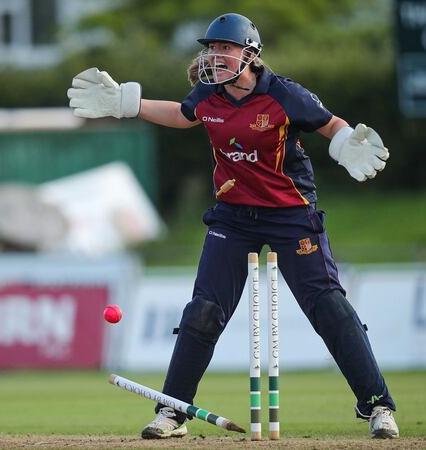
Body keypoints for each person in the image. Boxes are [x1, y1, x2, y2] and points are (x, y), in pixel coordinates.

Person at [67, 12, 398, 440]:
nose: (215, 56)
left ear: (250, 54)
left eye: (224, 48)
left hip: (290, 215)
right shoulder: (208, 94)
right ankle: (172, 412)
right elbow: (184, 114)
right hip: (233, 217)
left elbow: (330, 124)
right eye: (210, 48)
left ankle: (378, 406)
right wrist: (125, 104)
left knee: (329, 308)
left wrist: (344, 144)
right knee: (203, 312)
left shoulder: (284, 94)